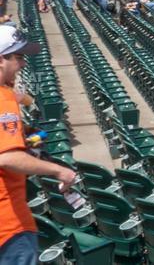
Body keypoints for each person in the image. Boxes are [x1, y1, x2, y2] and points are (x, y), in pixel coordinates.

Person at [0, 25, 77, 264]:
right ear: (1, 59)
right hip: (8, 224)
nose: (23, 64)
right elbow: (7, 158)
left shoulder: (7, 94)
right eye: (18, 57)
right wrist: (60, 170)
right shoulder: (3, 100)